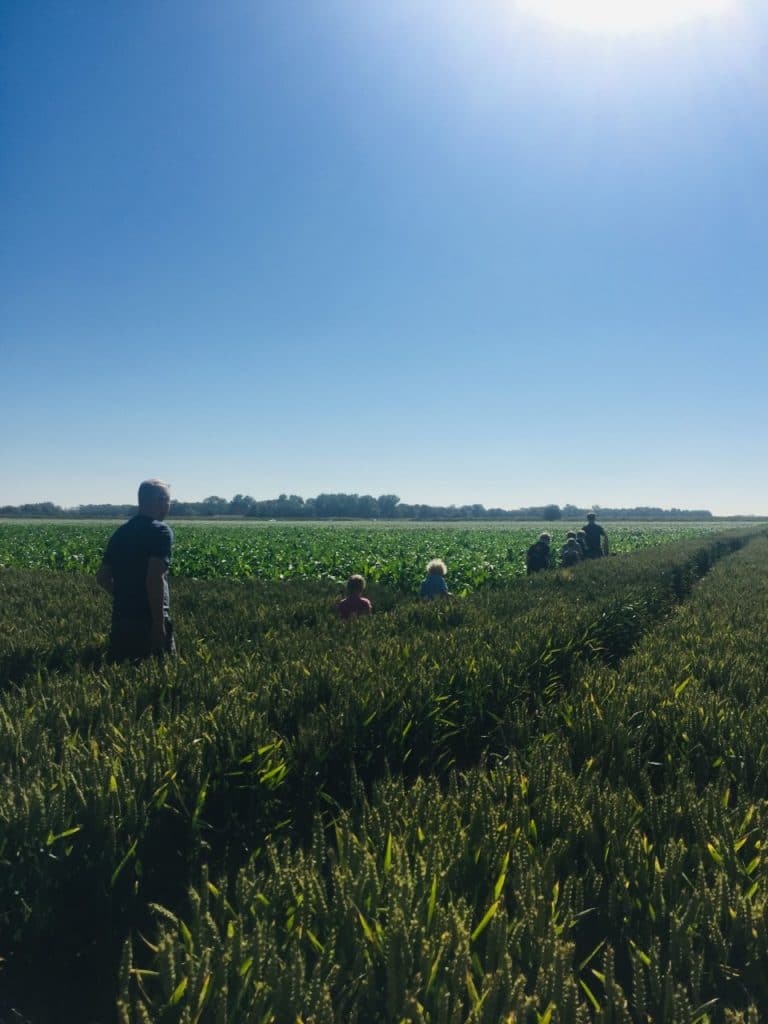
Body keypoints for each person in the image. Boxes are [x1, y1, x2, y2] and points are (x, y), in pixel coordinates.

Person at [96, 479, 175, 662]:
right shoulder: (160, 531)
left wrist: (124, 595)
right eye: (168, 501)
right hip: (148, 620)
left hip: (121, 620)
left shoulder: (121, 533)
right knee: (162, 677)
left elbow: (102, 577)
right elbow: (154, 579)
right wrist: (158, 625)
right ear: (160, 500)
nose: (169, 506)